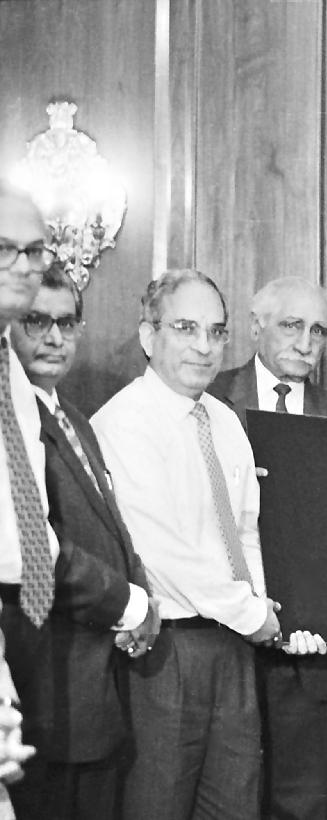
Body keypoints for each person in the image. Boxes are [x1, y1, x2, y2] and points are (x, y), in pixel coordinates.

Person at [91, 269, 326, 820]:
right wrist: (254, 615)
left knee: (235, 808)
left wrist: (271, 611)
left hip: (234, 648)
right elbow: (164, 554)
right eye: (185, 328)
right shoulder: (123, 423)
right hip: (165, 653)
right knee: (157, 805)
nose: (204, 345)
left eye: (216, 332)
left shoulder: (223, 421)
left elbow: (246, 531)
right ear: (149, 336)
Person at [208, 276, 327, 820]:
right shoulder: (207, 400)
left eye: (318, 331)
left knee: (302, 804)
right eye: (292, 326)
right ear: (256, 326)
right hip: (219, 642)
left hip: (310, 650)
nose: (305, 342)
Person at [7, 265, 159, 820]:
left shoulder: (73, 416)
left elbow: (111, 528)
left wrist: (140, 595)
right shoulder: (9, 422)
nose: (54, 337)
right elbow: (37, 552)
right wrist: (132, 604)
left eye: (66, 323)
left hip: (96, 689)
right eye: (36, 321)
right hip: (45, 691)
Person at [0, 182, 52, 816]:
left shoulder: (13, 365)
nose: (22, 265)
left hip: (19, 623)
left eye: (35, 250)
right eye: (4, 248)